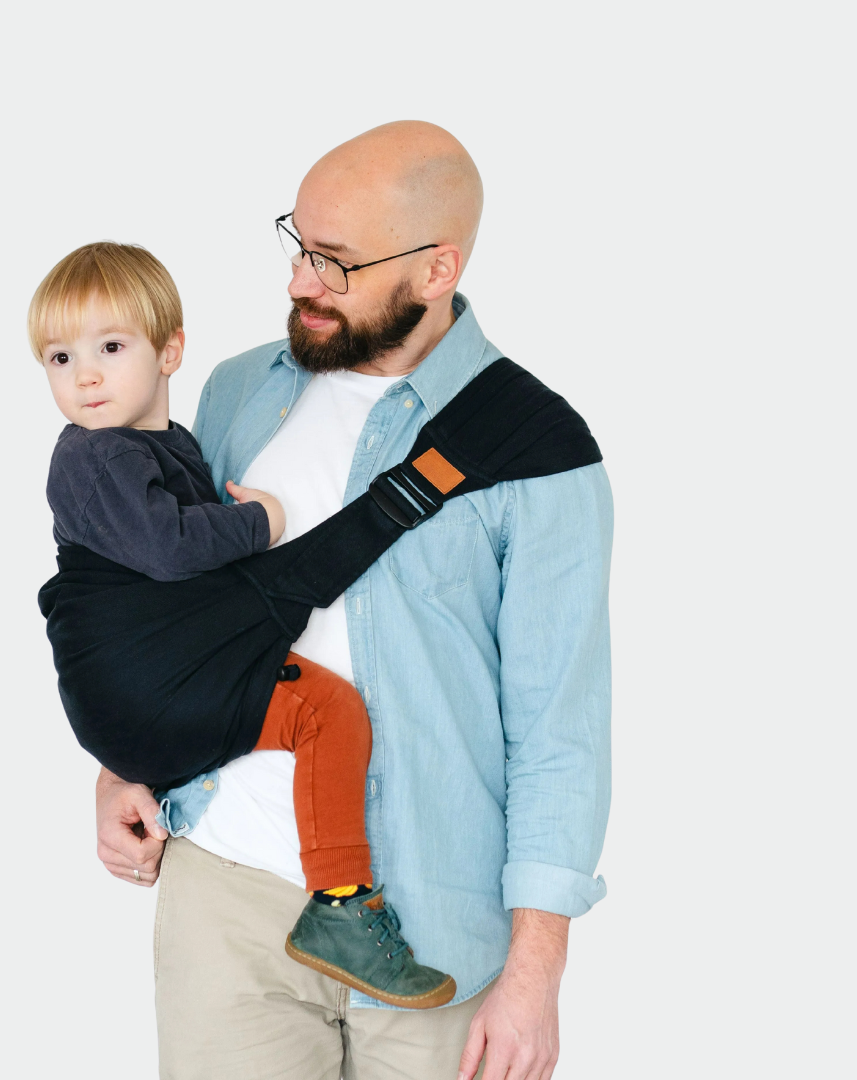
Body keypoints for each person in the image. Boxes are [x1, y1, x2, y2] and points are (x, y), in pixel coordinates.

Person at [95, 121, 613, 1080]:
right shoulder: (238, 391)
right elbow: (176, 610)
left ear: (436, 269)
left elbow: (560, 730)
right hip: (229, 899)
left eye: (335, 262)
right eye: (299, 246)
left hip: (435, 921)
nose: (301, 282)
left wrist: (537, 972)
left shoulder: (539, 451)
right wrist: (125, 762)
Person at [31, 241, 459, 1007]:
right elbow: (171, 550)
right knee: (330, 713)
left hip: (156, 688)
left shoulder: (169, 445)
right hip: (140, 686)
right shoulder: (95, 457)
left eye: (110, 348)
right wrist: (262, 521)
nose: (85, 375)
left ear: (170, 352)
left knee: (321, 710)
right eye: (60, 358)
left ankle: (337, 901)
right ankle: (341, 904)